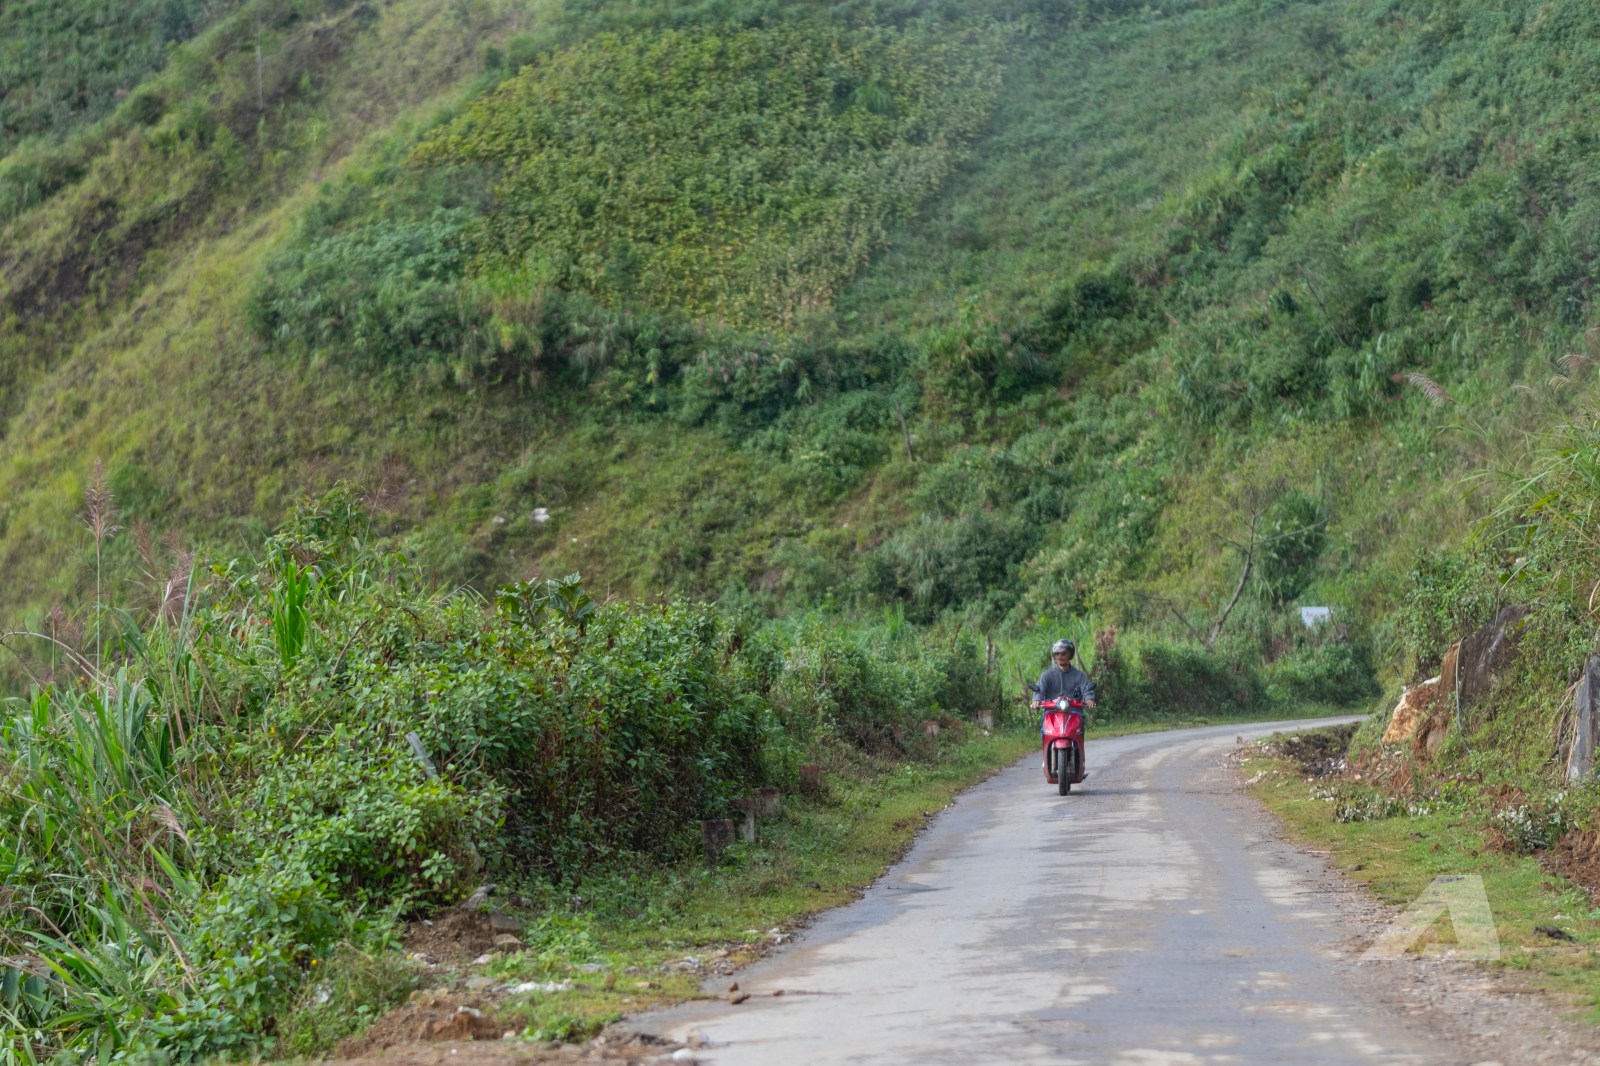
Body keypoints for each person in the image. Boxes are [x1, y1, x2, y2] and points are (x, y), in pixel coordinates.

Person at [1031, 638, 1096, 717]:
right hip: (1051, 712)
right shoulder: (1046, 675)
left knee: (1080, 722)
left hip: (1074, 712)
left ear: (1070, 654)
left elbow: (1086, 690)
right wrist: (1036, 700)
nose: (1060, 656)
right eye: (1057, 653)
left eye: (1063, 653)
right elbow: (1039, 690)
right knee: (1045, 727)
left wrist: (1089, 699)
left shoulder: (1079, 675)